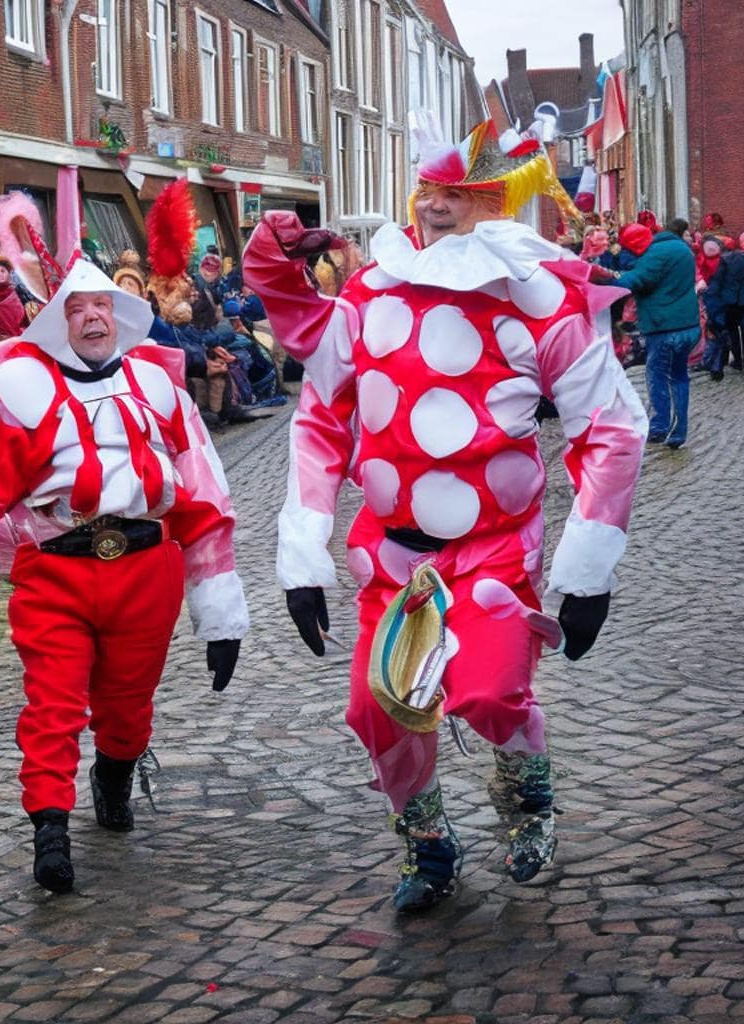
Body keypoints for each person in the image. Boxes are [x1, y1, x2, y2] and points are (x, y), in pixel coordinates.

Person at [243, 116, 647, 912]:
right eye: (428, 189)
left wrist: (589, 566)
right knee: (376, 707)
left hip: (494, 554)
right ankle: (425, 842)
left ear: (494, 204)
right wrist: (303, 554)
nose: (434, 208)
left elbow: (611, 428)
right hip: (390, 558)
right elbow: (322, 415)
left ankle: (525, 799)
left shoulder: (542, 302)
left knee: (491, 694)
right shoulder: (370, 292)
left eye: (456, 194)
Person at [0, 256, 249, 894]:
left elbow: (203, 495)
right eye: (78, 308)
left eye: (103, 307)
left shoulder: (158, 390)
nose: (93, 317)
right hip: (55, 574)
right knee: (53, 706)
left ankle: (114, 774)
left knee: (127, 708)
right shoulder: (18, 398)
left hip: (148, 569)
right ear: (56, 326)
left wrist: (220, 610)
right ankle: (50, 831)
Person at [613, 218, 699, 447]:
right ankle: (680, 430)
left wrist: (609, 279)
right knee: (679, 376)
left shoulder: (657, 253)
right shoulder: (682, 248)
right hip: (688, 324)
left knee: (657, 376)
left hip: (664, 327)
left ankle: (660, 426)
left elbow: (639, 279)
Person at [704, 229, 744, 378]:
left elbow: (717, 281)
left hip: (731, 301)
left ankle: (739, 360)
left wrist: (712, 298)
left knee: (733, 332)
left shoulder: (730, 259)